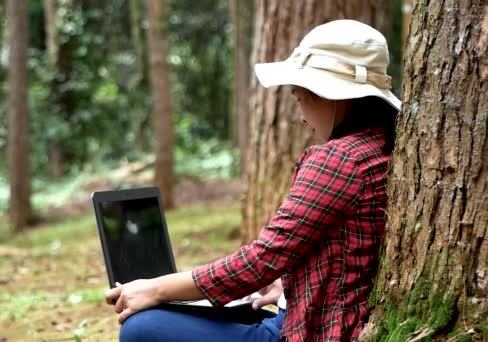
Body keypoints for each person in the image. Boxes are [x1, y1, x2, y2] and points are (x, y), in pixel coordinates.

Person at [105, 19, 401, 342]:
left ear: (332, 96)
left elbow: (261, 259)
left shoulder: (339, 159)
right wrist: (290, 289)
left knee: (140, 328)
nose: (301, 116)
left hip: (311, 332)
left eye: (300, 97)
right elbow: (345, 252)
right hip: (321, 314)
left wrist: (154, 288)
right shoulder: (381, 147)